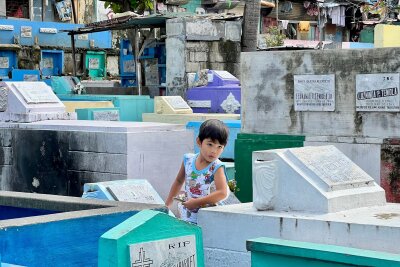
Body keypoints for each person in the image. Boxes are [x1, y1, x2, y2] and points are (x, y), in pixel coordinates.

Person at [165, 119, 230, 224]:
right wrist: (167, 205)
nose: (214, 151)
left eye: (219, 147)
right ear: (199, 142)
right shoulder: (188, 160)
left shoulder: (217, 167)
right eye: (210, 144)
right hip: (188, 215)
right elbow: (178, 181)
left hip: (209, 218)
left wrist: (196, 202)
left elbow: (222, 193)